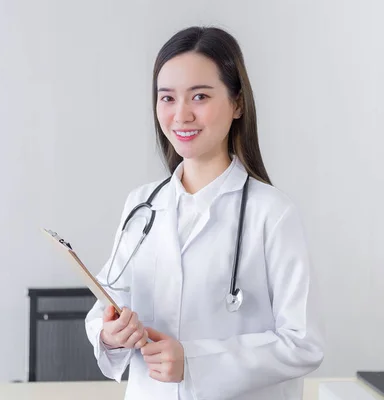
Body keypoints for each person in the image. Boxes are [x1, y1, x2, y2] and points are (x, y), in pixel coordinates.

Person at [84, 26, 325, 400]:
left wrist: (195, 362)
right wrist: (109, 334)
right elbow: (106, 303)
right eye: (167, 98)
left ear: (238, 103)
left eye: (199, 96)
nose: (181, 115)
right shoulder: (142, 204)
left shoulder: (272, 214)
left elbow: (303, 343)